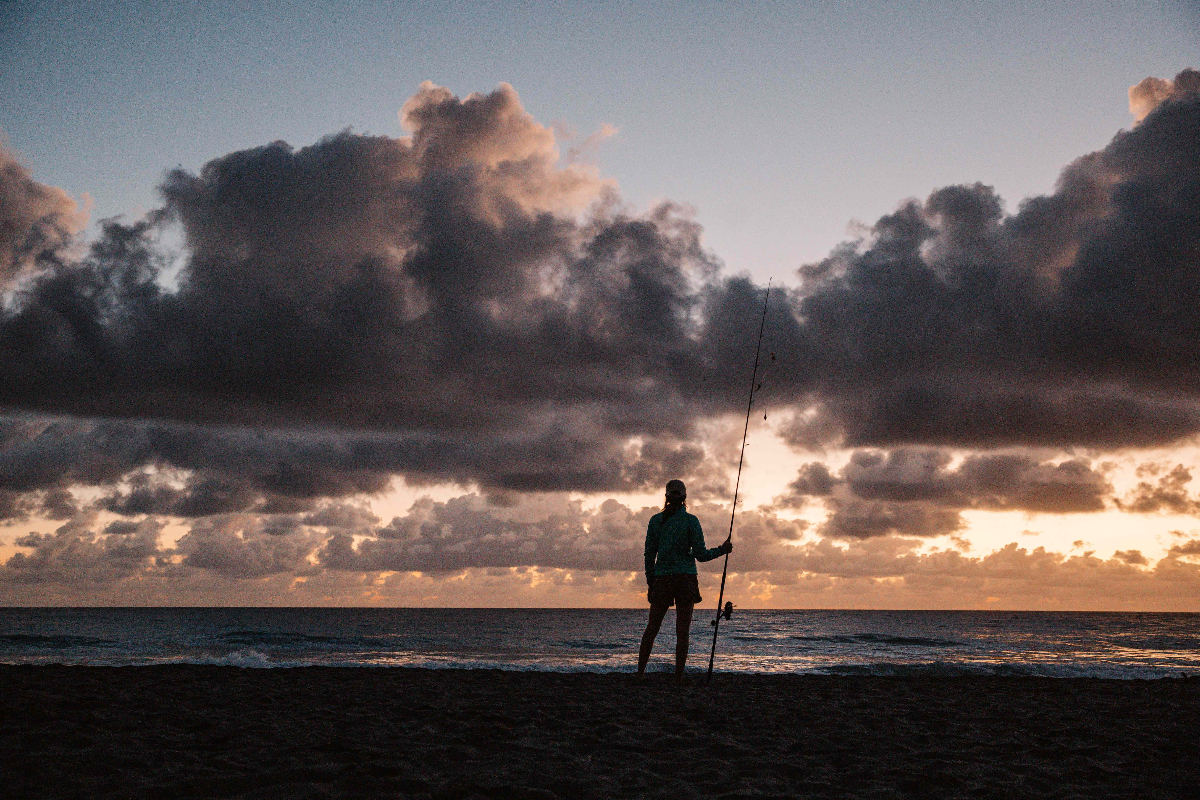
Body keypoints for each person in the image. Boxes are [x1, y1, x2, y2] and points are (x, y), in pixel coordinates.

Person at [637, 479, 732, 683]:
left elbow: (648, 554)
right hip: (686, 578)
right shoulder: (691, 521)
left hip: (661, 578)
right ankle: (678, 677)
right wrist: (722, 550)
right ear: (685, 498)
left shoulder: (655, 521)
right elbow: (701, 555)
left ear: (666, 497)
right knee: (683, 631)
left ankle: (640, 673)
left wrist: (650, 582)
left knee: (652, 628)